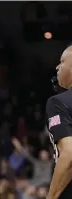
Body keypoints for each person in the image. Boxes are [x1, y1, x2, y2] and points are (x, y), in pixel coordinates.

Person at [46, 45, 72, 199]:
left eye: (62, 61)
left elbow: (69, 155)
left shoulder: (58, 102)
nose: (57, 67)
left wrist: (51, 196)